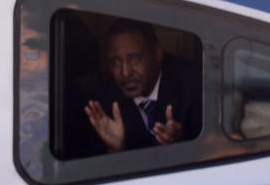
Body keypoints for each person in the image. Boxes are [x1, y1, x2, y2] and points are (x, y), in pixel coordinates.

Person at [84, 18, 201, 153]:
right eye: (116, 61)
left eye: (134, 58)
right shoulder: (102, 104)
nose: (125, 73)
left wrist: (180, 142)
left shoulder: (194, 87)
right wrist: (115, 149)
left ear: (157, 55)